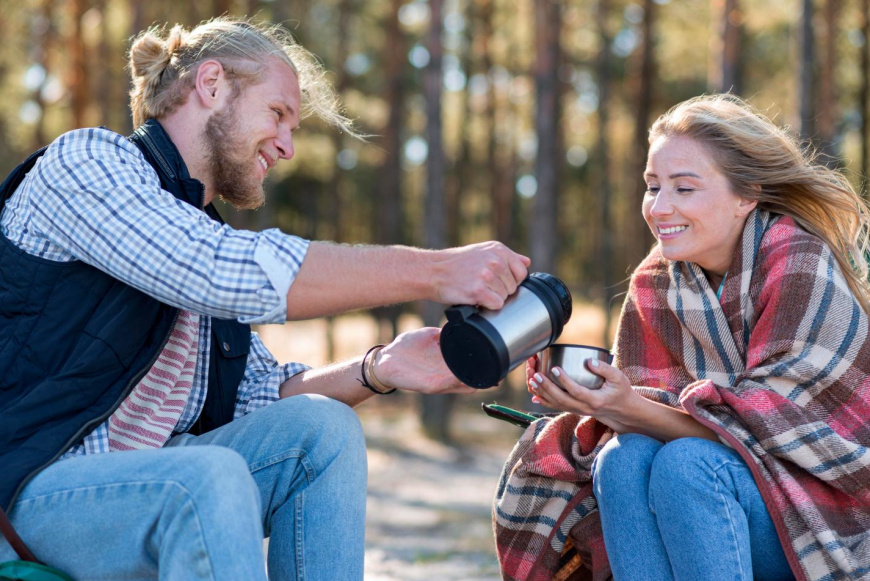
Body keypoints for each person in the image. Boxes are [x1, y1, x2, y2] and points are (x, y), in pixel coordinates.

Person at [0, 17, 531, 581]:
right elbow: (211, 268)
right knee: (210, 474)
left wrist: (381, 367)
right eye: (278, 113)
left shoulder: (199, 230)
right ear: (211, 85)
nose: (287, 146)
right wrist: (436, 271)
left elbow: (260, 394)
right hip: (29, 490)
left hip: (146, 488)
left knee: (322, 430)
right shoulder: (87, 165)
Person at [493, 94, 870, 581]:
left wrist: (627, 409)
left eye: (684, 188)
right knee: (623, 461)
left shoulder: (799, 261)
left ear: (747, 193)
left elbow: (768, 438)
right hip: (714, 497)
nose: (659, 207)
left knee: (689, 466)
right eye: (652, 186)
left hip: (821, 511)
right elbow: (649, 413)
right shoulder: (657, 280)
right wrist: (599, 404)